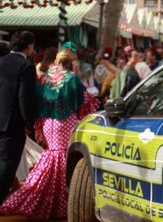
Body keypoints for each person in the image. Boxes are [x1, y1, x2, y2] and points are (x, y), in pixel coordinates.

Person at [1, 47, 97, 218]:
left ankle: (38, 197)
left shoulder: (47, 78)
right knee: (63, 157)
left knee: (51, 156)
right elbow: (84, 103)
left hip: (47, 122)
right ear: (71, 62)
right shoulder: (72, 78)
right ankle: (61, 203)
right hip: (65, 122)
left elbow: (36, 101)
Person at [0, 33, 37, 203]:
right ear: (29, 46)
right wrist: (29, 123)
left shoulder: (1, 61)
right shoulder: (26, 66)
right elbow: (25, 98)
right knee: (7, 163)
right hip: (12, 123)